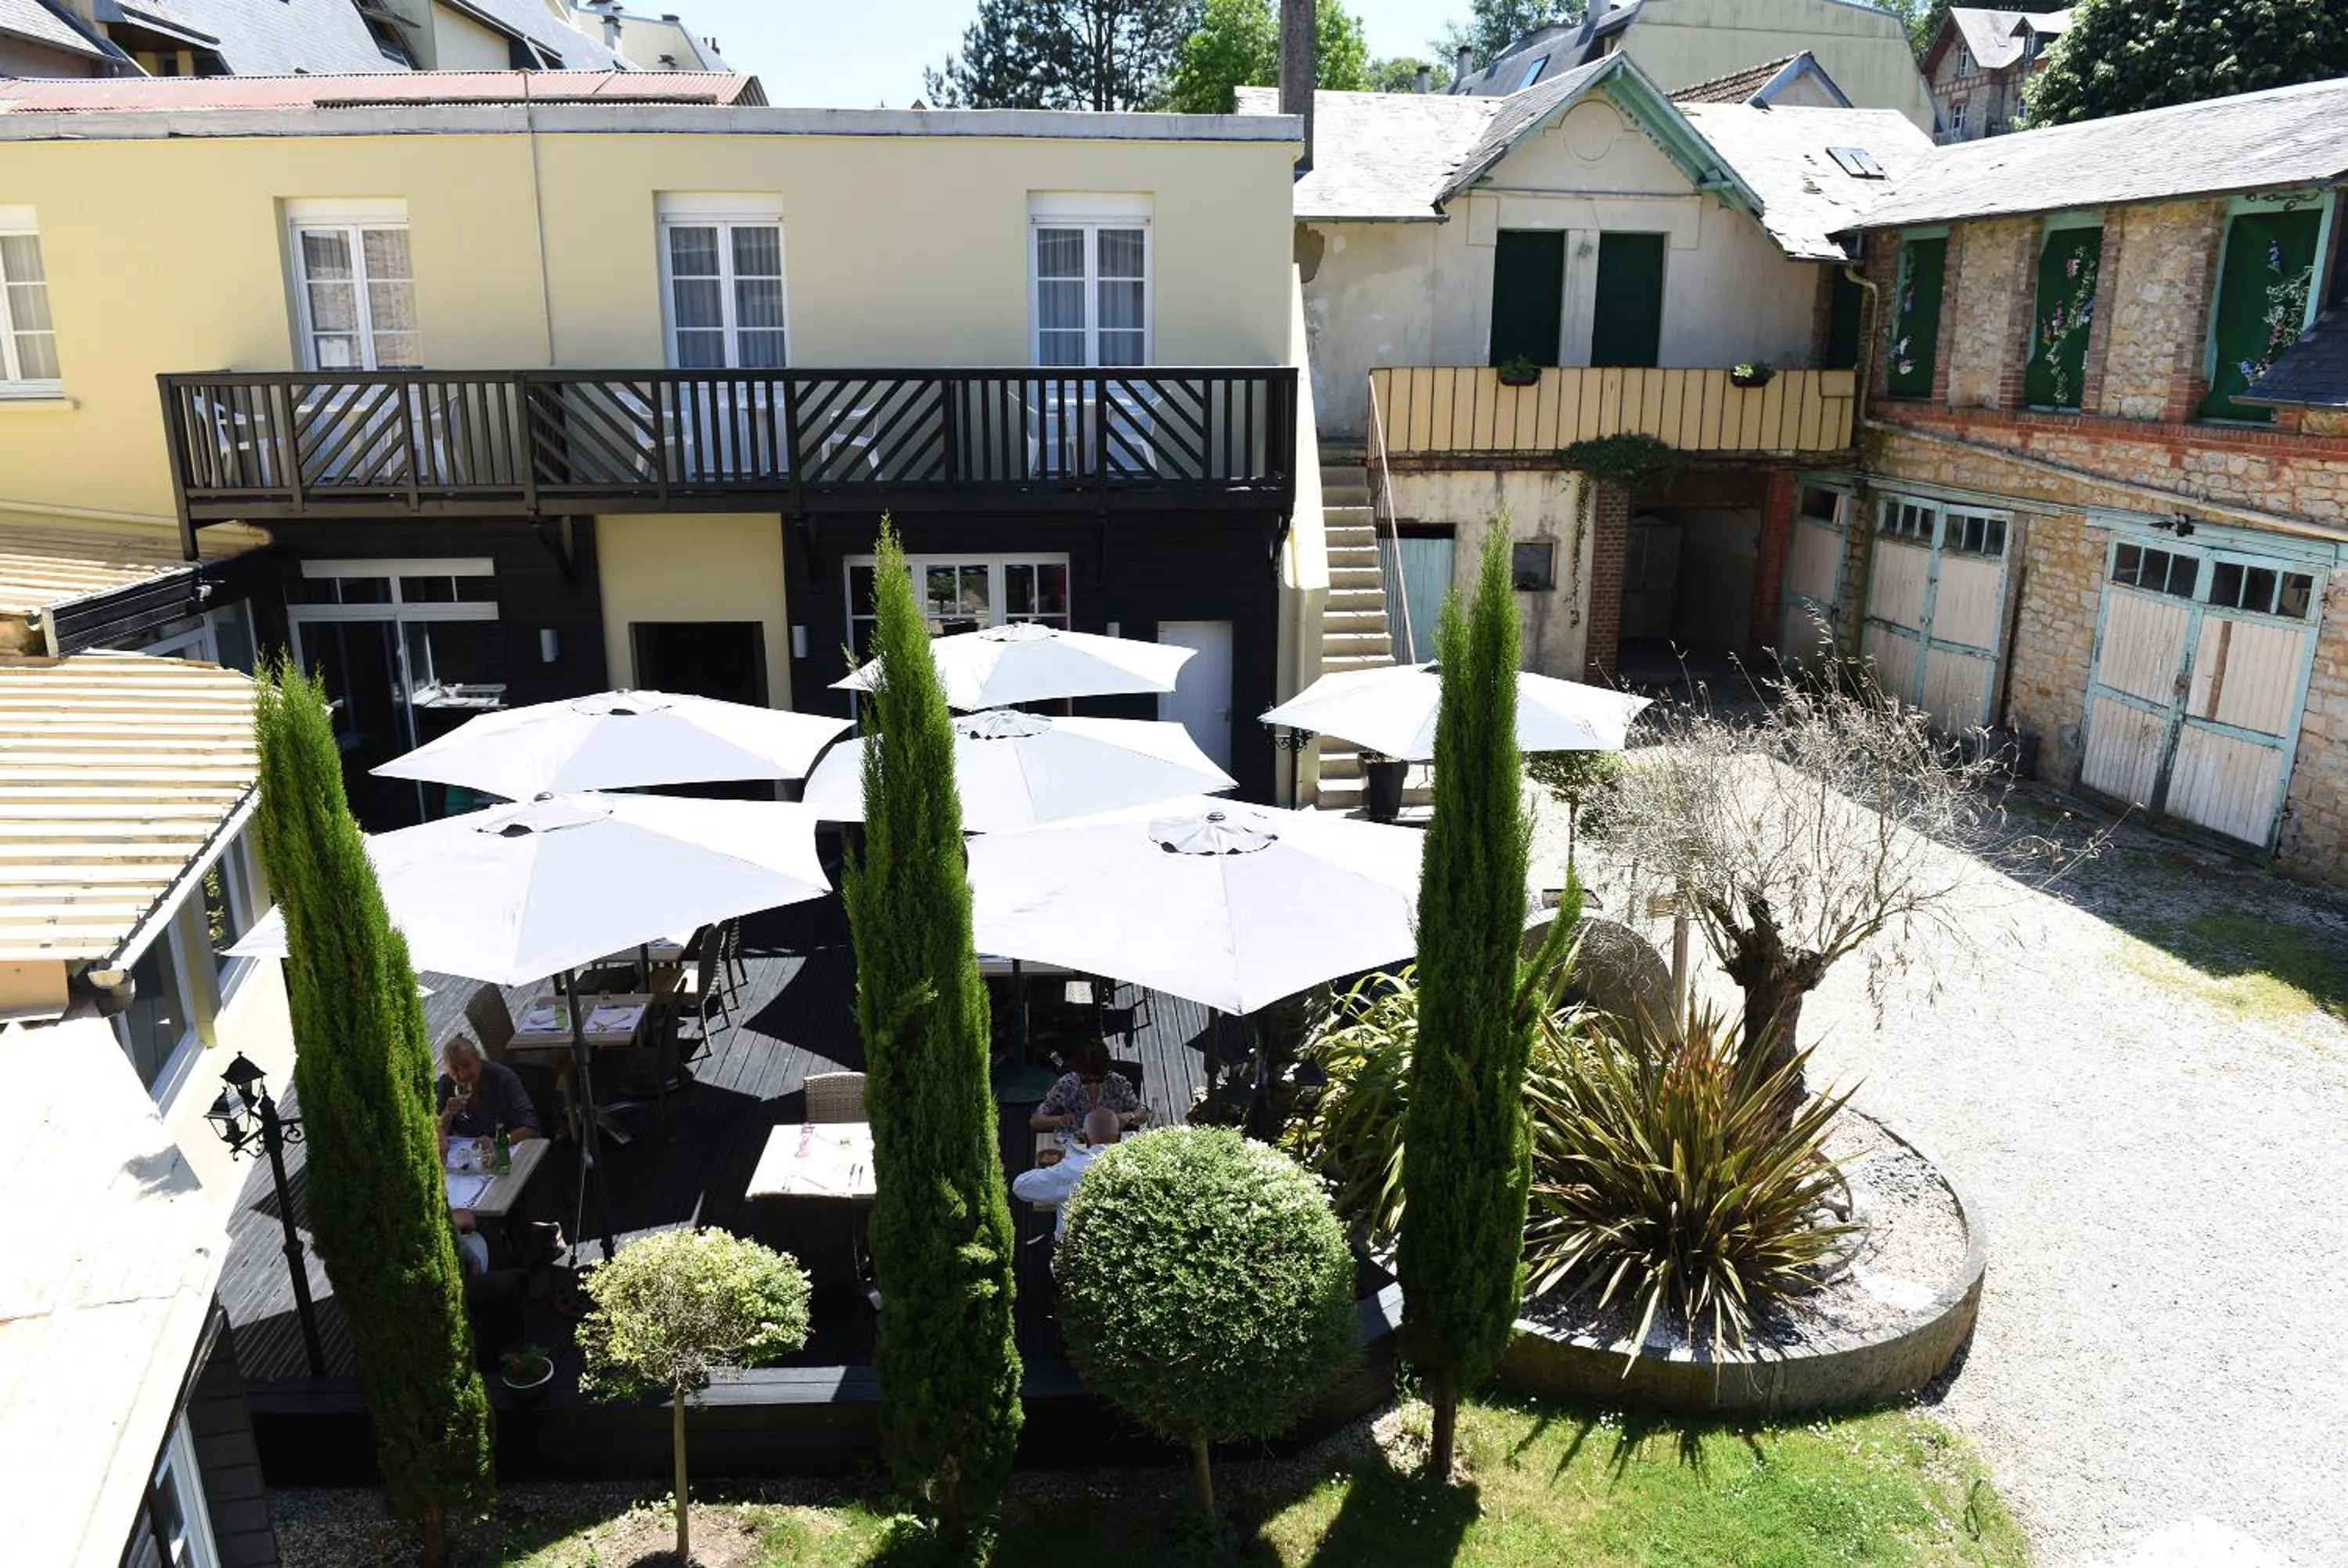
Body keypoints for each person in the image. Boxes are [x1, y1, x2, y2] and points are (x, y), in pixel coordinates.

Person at [1011, 1106, 1122, 1240]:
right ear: (1119, 1138)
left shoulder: (1071, 1169)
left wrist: (1055, 1169)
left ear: (1086, 1139)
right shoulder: (1136, 1163)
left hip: (1076, 1248)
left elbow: (1020, 1186)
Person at [436, 1034, 540, 1149]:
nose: (462, 1074)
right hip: (467, 1151)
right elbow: (436, 1130)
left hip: (509, 1148)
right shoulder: (446, 1083)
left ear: (478, 1059)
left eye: (467, 1065)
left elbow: (529, 1127)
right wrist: (448, 1113)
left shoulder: (503, 1078)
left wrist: (497, 1144)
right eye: (454, 1069)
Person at [1028, 1039, 1148, 1133]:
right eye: (1086, 1080)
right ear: (1078, 1071)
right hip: (1075, 1146)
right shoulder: (1067, 1085)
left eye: (1100, 1079)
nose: (1093, 1084)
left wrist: (1129, 1116)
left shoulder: (1117, 1083)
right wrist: (1058, 1120)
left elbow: (1143, 1114)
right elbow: (1035, 1121)